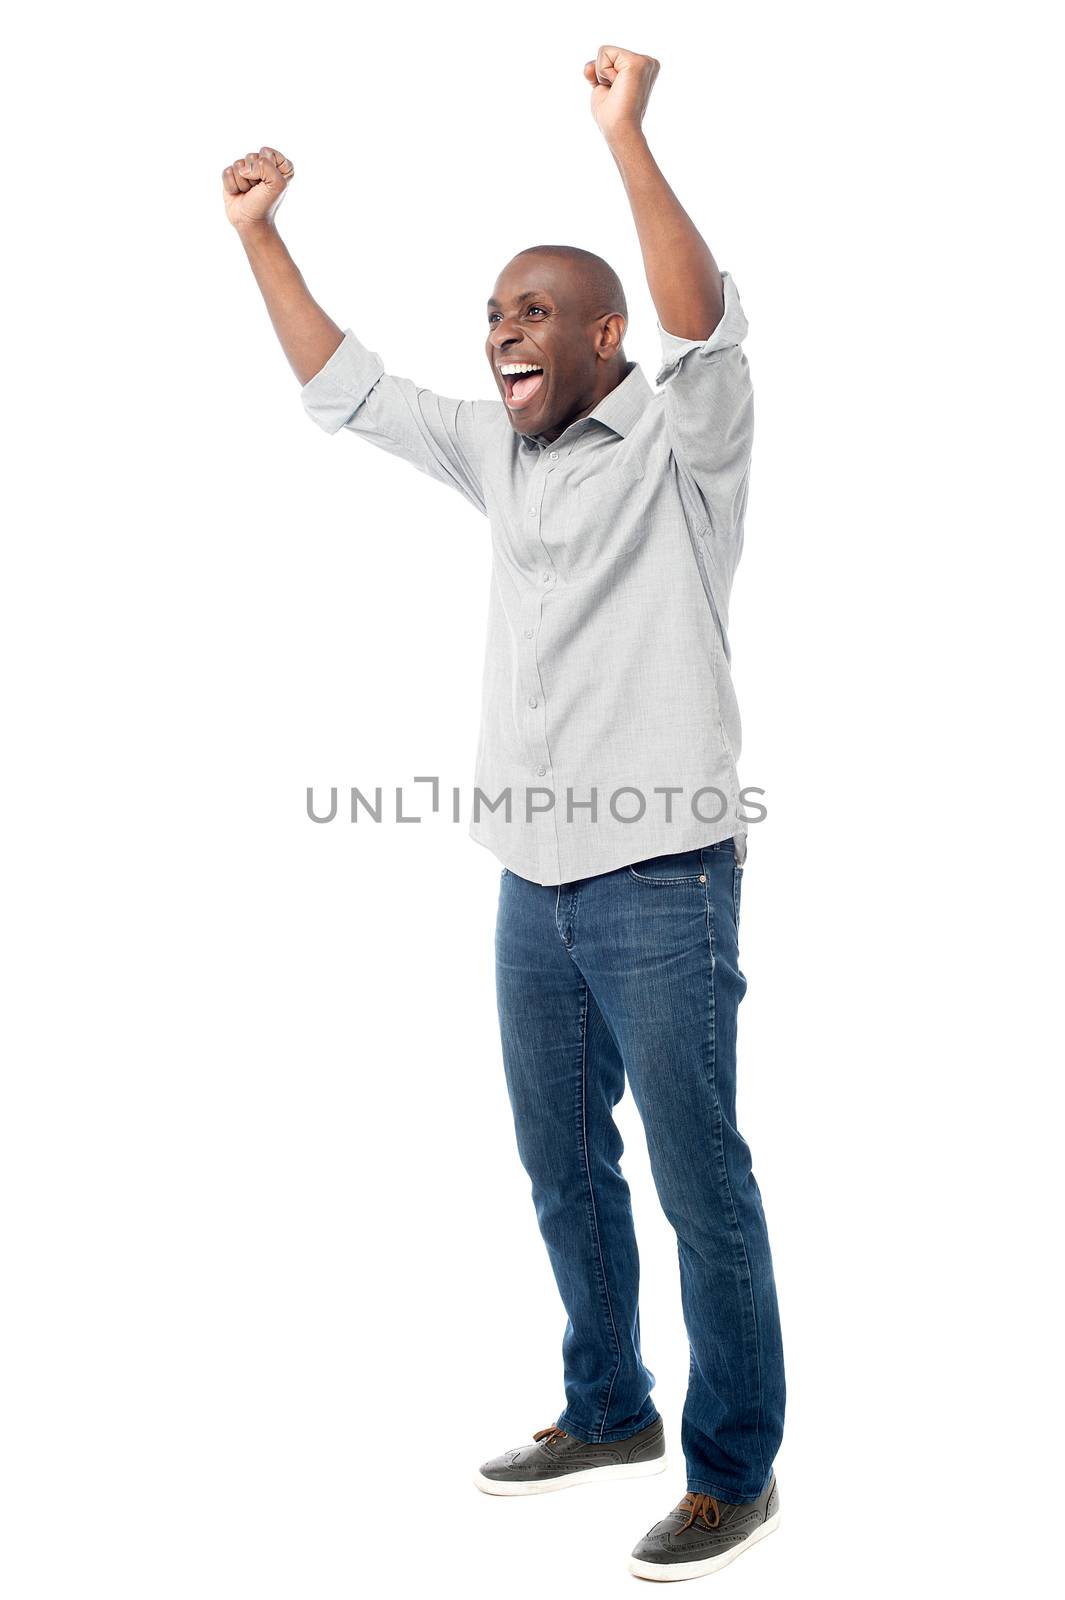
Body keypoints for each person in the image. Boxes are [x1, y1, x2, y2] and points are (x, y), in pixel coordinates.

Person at [223, 43, 785, 1583]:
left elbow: (704, 320)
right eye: (491, 314)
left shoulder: (683, 444)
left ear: (603, 337)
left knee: (698, 1177)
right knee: (561, 1164)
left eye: (532, 311)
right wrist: (262, 236)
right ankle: (607, 1408)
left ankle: (735, 1471)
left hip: (660, 876)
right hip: (527, 883)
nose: (501, 334)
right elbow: (346, 391)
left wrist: (624, 135)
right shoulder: (499, 450)